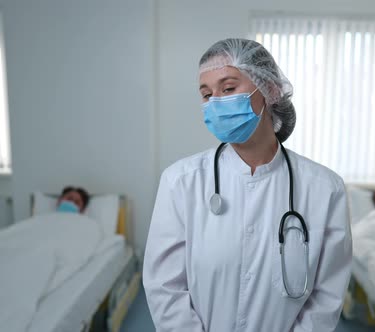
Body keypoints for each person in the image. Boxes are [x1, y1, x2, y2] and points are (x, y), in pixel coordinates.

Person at [143, 38, 352, 332]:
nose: (216, 101)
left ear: (270, 90)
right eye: (206, 94)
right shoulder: (181, 182)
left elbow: (327, 295)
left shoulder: (325, 189)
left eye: (228, 89)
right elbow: (164, 286)